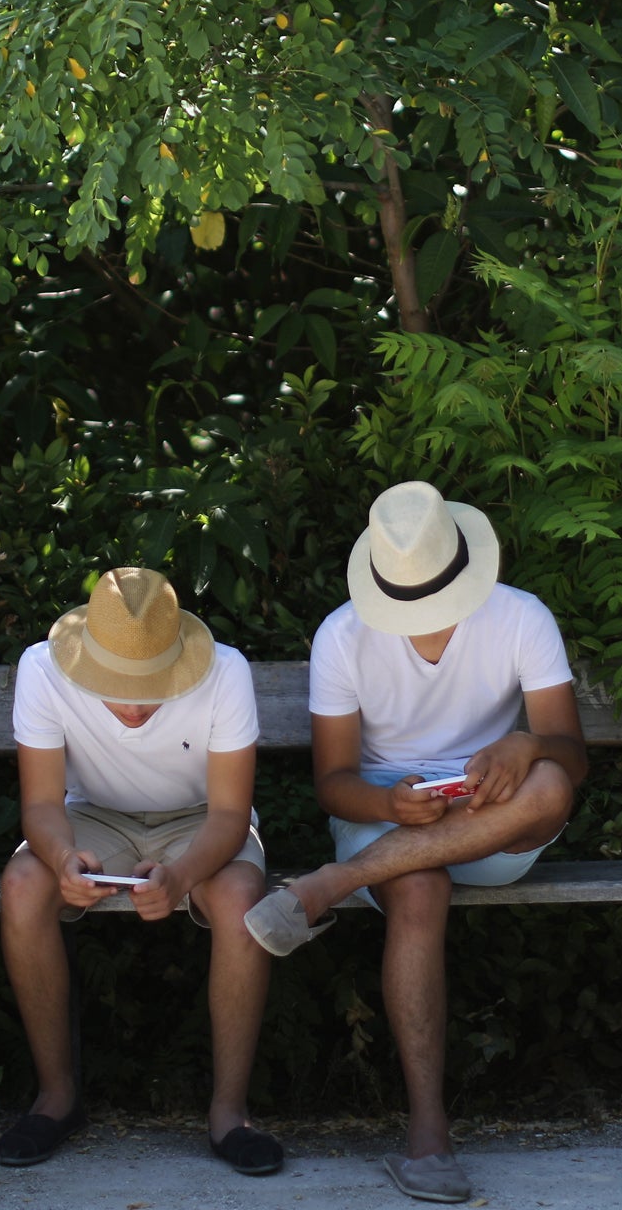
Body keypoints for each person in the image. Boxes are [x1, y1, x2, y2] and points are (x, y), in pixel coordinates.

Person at [244, 481, 586, 1204]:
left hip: (497, 822)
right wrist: (387, 803)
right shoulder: (342, 635)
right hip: (385, 820)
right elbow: (334, 783)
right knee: (420, 885)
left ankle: (325, 888)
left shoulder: (521, 616)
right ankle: (429, 1139)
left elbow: (570, 759)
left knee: (552, 787)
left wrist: (522, 748)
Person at [0, 567, 284, 1176]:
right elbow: (43, 806)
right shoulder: (41, 669)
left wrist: (178, 877)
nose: (129, 705)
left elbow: (231, 816)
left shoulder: (226, 671)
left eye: (148, 685)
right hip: (94, 815)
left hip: (201, 820)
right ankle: (56, 1098)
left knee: (238, 896)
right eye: (112, 685)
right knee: (22, 885)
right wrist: (58, 858)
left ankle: (230, 1112)